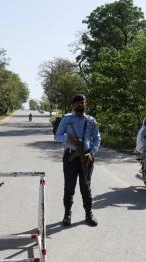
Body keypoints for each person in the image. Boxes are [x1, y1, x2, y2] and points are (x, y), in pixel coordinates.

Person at [55, 94, 101, 227]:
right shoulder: (67, 119)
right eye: (77, 103)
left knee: (86, 186)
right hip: (70, 157)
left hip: (86, 157)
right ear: (73, 106)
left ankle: (88, 214)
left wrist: (91, 154)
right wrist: (67, 138)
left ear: (85, 104)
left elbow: (97, 139)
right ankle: (67, 214)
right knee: (69, 187)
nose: (80, 105)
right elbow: (57, 136)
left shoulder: (91, 120)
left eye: (82, 102)